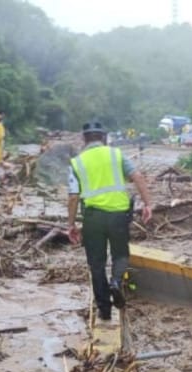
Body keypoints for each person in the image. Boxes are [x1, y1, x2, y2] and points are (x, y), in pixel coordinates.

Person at [67, 120, 153, 321]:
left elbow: (73, 197)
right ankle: (115, 281)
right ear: (104, 138)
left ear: (84, 139)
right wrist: (148, 204)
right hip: (118, 215)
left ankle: (104, 311)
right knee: (120, 254)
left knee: (96, 264)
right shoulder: (116, 154)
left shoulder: (76, 162)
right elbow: (138, 177)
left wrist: (70, 225)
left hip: (93, 218)